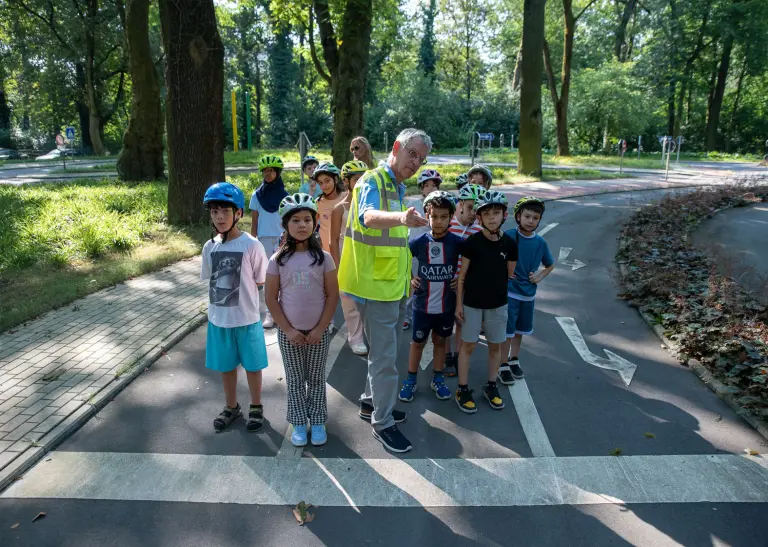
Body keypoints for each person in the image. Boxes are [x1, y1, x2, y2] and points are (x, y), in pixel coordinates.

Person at [337, 127, 430, 453]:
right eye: (413, 154)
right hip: (377, 287)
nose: (416, 162)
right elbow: (369, 216)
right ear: (396, 148)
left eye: (422, 158)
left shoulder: (396, 185)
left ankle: (370, 403)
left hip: (391, 284)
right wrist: (402, 218)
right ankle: (383, 422)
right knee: (386, 361)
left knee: (381, 355)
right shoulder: (373, 181)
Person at [265, 193, 339, 447]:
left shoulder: (324, 259)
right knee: (295, 380)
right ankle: (298, 422)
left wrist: (321, 328)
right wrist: (288, 330)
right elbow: (271, 299)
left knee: (317, 379)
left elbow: (332, 296)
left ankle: (317, 421)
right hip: (289, 334)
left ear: (315, 222)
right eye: (295, 220)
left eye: (307, 219)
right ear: (286, 225)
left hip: (318, 333)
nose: (302, 225)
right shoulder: (277, 260)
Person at [201, 182, 269, 433]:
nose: (219, 217)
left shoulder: (251, 245)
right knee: (226, 367)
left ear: (238, 213)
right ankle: (231, 406)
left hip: (247, 319)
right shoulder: (210, 247)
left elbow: (261, 279)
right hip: (219, 320)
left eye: (225, 211)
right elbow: (209, 278)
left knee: (253, 366)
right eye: (214, 211)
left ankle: (256, 406)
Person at [454, 190, 518, 414]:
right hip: (472, 303)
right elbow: (462, 277)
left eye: (496, 213)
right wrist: (458, 305)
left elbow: (510, 273)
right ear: (479, 218)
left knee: (495, 346)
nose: (492, 217)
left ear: (504, 215)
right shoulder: (472, 242)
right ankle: (462, 388)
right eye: (487, 214)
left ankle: (491, 385)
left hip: (498, 304)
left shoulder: (510, 244)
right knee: (468, 345)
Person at [398, 191, 461, 403]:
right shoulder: (418, 242)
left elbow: (472, 261)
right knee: (417, 342)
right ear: (427, 215)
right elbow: (402, 256)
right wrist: (410, 277)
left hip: (446, 305)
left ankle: (438, 378)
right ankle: (410, 379)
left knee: (441, 342)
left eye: (444, 217)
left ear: (451, 216)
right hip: (421, 306)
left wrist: (461, 278)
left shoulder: (457, 242)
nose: (439, 221)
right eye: (435, 216)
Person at [498, 197, 554, 384]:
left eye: (535, 218)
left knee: (520, 330)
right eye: (527, 216)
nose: (530, 221)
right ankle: (502, 363)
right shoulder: (507, 236)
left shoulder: (540, 242)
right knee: (507, 331)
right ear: (518, 216)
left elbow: (549, 264)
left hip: (528, 295)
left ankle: (514, 359)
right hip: (509, 292)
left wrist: (539, 276)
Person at [443, 183, 485, 376]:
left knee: (461, 321)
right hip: (444, 281)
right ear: (460, 204)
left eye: (477, 209)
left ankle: (458, 356)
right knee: (444, 322)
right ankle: (447, 356)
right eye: (469, 207)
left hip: (464, 284)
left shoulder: (478, 230)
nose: (473, 213)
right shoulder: (447, 225)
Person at [331, 160, 369, 356]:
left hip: (365, 260)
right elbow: (332, 240)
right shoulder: (339, 208)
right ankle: (355, 338)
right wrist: (338, 267)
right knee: (349, 303)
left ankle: (367, 334)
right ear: (346, 182)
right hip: (346, 261)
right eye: (356, 178)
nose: (361, 182)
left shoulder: (370, 206)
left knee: (366, 302)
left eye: (364, 178)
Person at [250, 155, 288, 328]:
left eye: (271, 170)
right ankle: (269, 314)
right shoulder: (257, 196)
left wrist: (289, 237)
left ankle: (284, 312)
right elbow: (254, 221)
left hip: (282, 238)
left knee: (282, 276)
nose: (268, 174)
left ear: (278, 172)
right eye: (265, 171)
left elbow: (288, 220)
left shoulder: (285, 196)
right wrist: (252, 242)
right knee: (267, 277)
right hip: (264, 239)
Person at [403, 169, 443, 330]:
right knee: (414, 283)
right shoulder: (414, 205)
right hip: (415, 250)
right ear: (421, 188)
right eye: (427, 186)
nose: (431, 189)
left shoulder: (442, 206)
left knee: (431, 284)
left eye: (434, 185)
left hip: (434, 250)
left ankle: (427, 314)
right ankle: (406, 315)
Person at [314, 162, 345, 255]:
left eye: (327, 181)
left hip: (344, 248)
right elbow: (312, 226)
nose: (324, 186)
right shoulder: (318, 202)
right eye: (320, 183)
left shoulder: (346, 197)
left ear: (335, 179)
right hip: (325, 251)